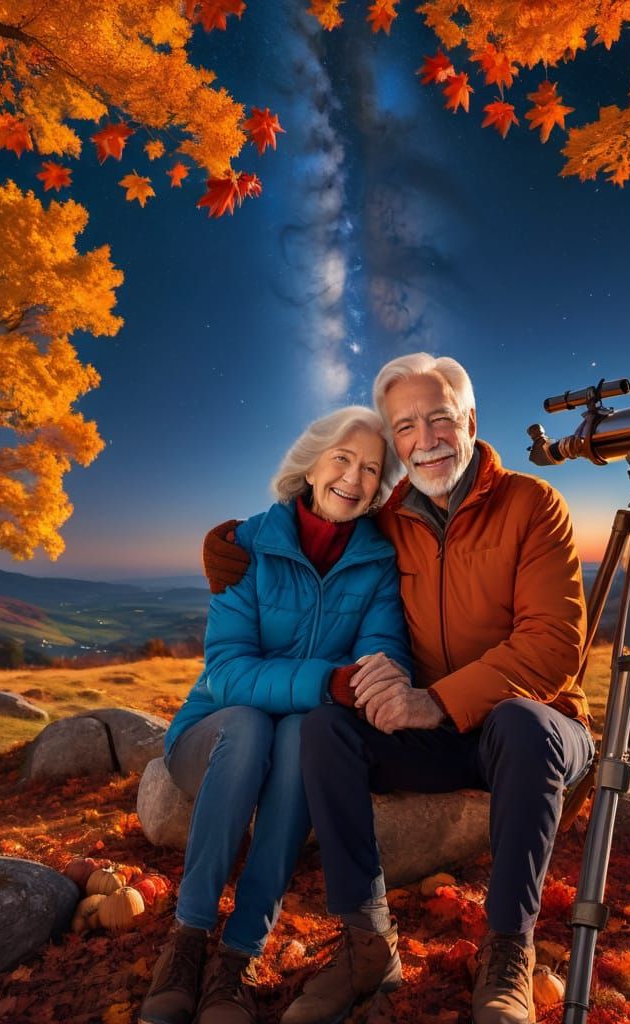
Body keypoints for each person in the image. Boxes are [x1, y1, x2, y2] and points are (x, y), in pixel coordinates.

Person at [205, 353, 593, 1024]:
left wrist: (434, 700)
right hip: (433, 736)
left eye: (440, 418)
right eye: (405, 425)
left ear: (470, 421)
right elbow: (315, 521)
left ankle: (507, 954)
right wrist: (232, 543)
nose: (425, 439)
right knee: (325, 727)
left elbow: (553, 645)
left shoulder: (533, 505)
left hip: (535, 726)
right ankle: (366, 945)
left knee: (522, 725)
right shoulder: (385, 517)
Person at [140, 406, 410, 1024]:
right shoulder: (242, 547)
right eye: (342, 458)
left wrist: (371, 679)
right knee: (252, 723)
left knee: (298, 739)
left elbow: (382, 657)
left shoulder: (378, 562)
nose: (353, 476)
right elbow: (228, 672)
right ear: (309, 466)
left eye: (370, 468)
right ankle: (187, 939)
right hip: (212, 738)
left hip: (296, 739)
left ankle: (236, 957)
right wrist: (328, 681)